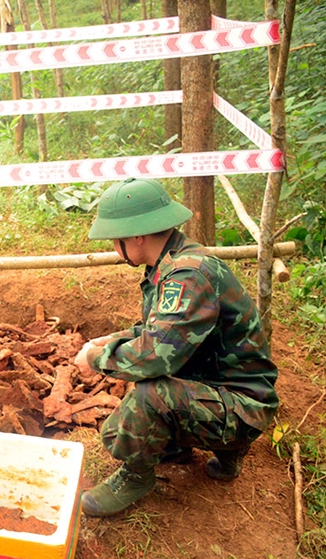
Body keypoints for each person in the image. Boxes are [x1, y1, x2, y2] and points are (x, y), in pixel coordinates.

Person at [73, 177, 279, 517]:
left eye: (115, 237)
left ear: (136, 236)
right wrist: (116, 340)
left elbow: (155, 357)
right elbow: (165, 331)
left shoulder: (187, 276)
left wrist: (97, 358)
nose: (113, 245)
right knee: (152, 385)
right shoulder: (174, 263)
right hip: (231, 390)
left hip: (243, 405)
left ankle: (137, 477)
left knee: (148, 396)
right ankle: (221, 449)